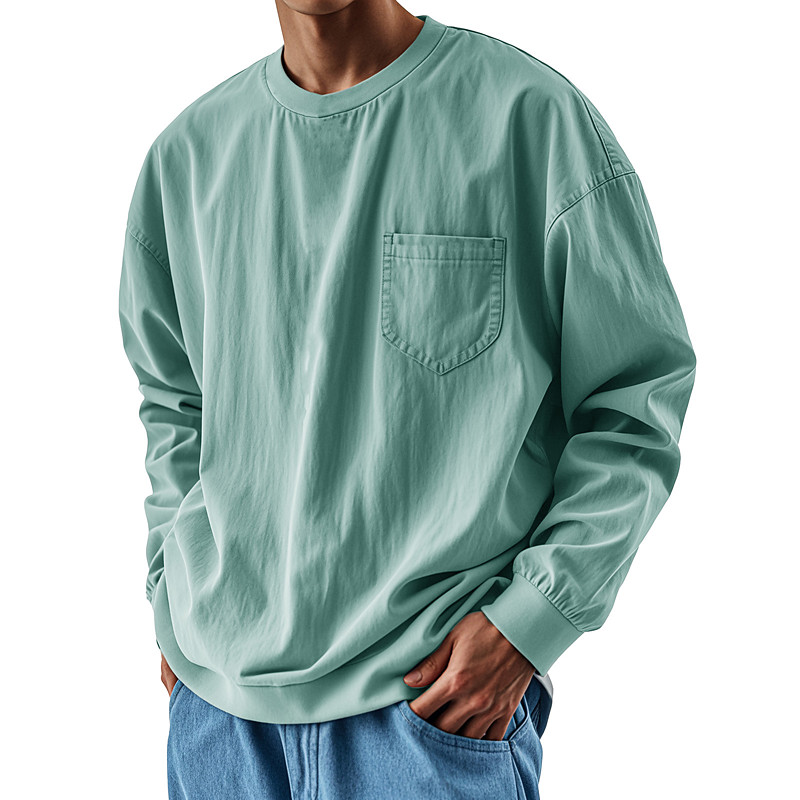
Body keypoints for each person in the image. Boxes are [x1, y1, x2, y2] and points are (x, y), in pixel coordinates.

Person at [118, 1, 697, 797]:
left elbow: (635, 398)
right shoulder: (185, 161)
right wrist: (172, 596)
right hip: (221, 728)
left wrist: (532, 619)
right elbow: (174, 403)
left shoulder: (531, 121)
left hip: (429, 714)